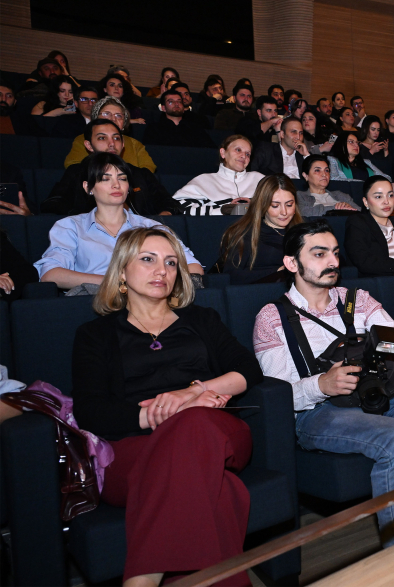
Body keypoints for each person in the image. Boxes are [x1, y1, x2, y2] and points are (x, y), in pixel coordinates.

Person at [254, 221, 394, 545]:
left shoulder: (356, 299)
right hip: (319, 412)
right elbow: (278, 396)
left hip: (382, 394)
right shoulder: (271, 317)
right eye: (319, 254)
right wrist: (321, 384)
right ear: (292, 263)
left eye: (334, 253)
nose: (332, 261)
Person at [72, 227, 259, 586]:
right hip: (132, 445)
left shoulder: (202, 319)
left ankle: (142, 579)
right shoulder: (94, 335)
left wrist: (193, 392)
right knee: (223, 493)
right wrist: (164, 412)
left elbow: (248, 370)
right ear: (122, 272)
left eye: (171, 262)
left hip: (214, 429)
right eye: (148, 259)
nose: (162, 270)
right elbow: (92, 411)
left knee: (194, 427)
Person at [35, 153, 202, 291]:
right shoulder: (70, 227)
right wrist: (119, 283)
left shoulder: (152, 227)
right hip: (94, 301)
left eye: (122, 179)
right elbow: (50, 274)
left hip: (150, 299)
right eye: (105, 179)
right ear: (88, 187)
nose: (116, 185)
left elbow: (194, 268)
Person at [43, 119, 181, 216]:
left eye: (116, 138)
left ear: (123, 144)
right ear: (89, 145)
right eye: (102, 138)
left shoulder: (140, 173)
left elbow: (169, 202)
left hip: (141, 235)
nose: (111, 144)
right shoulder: (77, 172)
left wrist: (163, 217)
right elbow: (53, 203)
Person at [218, 175, 302, 284]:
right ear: (263, 205)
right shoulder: (245, 234)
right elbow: (232, 276)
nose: (284, 212)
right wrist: (277, 271)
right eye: (275, 206)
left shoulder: (303, 233)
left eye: (289, 205)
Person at [173, 135, 265, 215]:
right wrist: (221, 210)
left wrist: (256, 207)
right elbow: (179, 207)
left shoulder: (260, 179)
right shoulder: (204, 180)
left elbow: (277, 208)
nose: (243, 156)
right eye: (238, 150)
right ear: (223, 153)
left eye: (248, 154)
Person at [63, 96, 158, 173]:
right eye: (106, 114)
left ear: (124, 122)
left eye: (118, 115)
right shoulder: (83, 140)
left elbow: (148, 169)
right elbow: (73, 166)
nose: (113, 119)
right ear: (96, 118)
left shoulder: (135, 144)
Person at [143, 91, 216, 148]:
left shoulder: (195, 129)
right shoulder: (154, 129)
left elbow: (210, 150)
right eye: (171, 101)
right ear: (163, 108)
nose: (176, 104)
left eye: (179, 101)